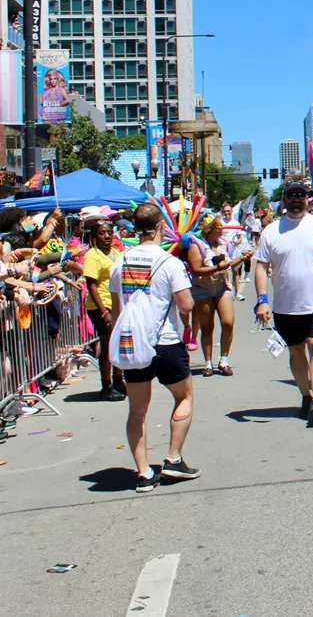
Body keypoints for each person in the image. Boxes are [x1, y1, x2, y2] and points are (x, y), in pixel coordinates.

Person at [109, 202, 199, 493]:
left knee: (137, 410)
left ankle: (144, 473)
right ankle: (173, 459)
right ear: (162, 225)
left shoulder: (120, 262)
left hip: (133, 344)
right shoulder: (170, 263)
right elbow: (186, 305)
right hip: (165, 341)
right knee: (184, 396)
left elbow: (116, 308)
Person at [255, 181, 313, 426]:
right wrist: (262, 300)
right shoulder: (271, 231)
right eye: (291, 195)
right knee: (296, 350)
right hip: (286, 305)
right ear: (284, 199)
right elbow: (261, 267)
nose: (296, 199)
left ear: (308, 199)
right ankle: (306, 396)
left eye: (301, 195)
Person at [187, 215, 248, 377]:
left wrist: (242, 257)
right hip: (203, 288)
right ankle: (208, 363)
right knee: (207, 327)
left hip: (222, 286)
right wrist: (218, 268)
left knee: (228, 322)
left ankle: (224, 360)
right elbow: (197, 270)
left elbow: (229, 264)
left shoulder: (224, 244)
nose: (221, 230)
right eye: (218, 227)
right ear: (209, 229)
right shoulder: (197, 246)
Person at [84, 219, 125, 401]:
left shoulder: (114, 252)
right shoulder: (92, 255)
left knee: (118, 344)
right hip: (101, 305)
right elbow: (91, 285)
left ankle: (118, 380)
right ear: (94, 237)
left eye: (109, 232)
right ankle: (106, 386)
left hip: (116, 304)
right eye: (102, 233)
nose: (107, 236)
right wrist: (104, 312)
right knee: (108, 345)